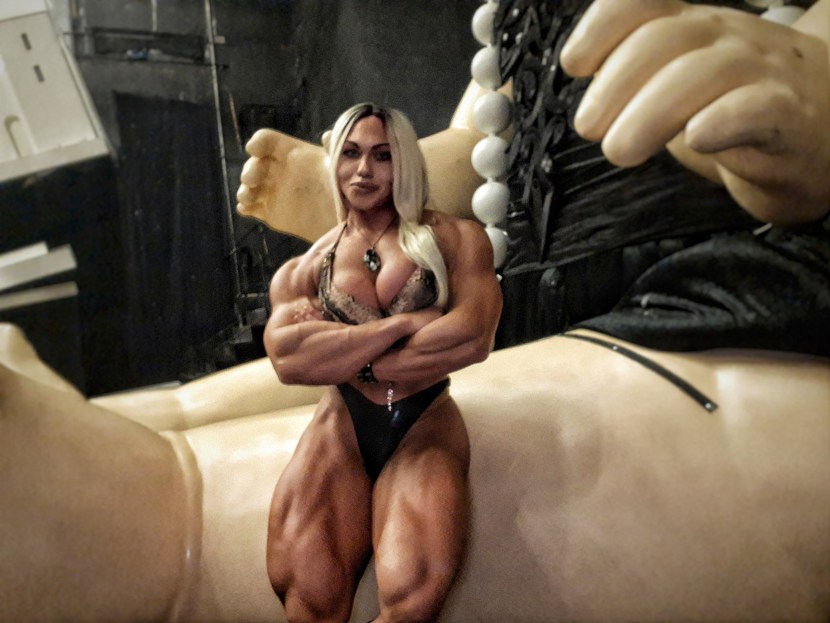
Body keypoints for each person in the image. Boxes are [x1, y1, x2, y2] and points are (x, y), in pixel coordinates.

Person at [260, 103, 502, 622]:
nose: (364, 170)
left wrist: (345, 349)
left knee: (412, 596)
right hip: (343, 423)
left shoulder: (457, 238)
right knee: (309, 595)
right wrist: (400, 326)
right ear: (335, 162)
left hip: (423, 417)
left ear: (405, 162)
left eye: (382, 155)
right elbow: (289, 357)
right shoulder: (304, 269)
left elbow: (471, 337)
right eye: (351, 153)